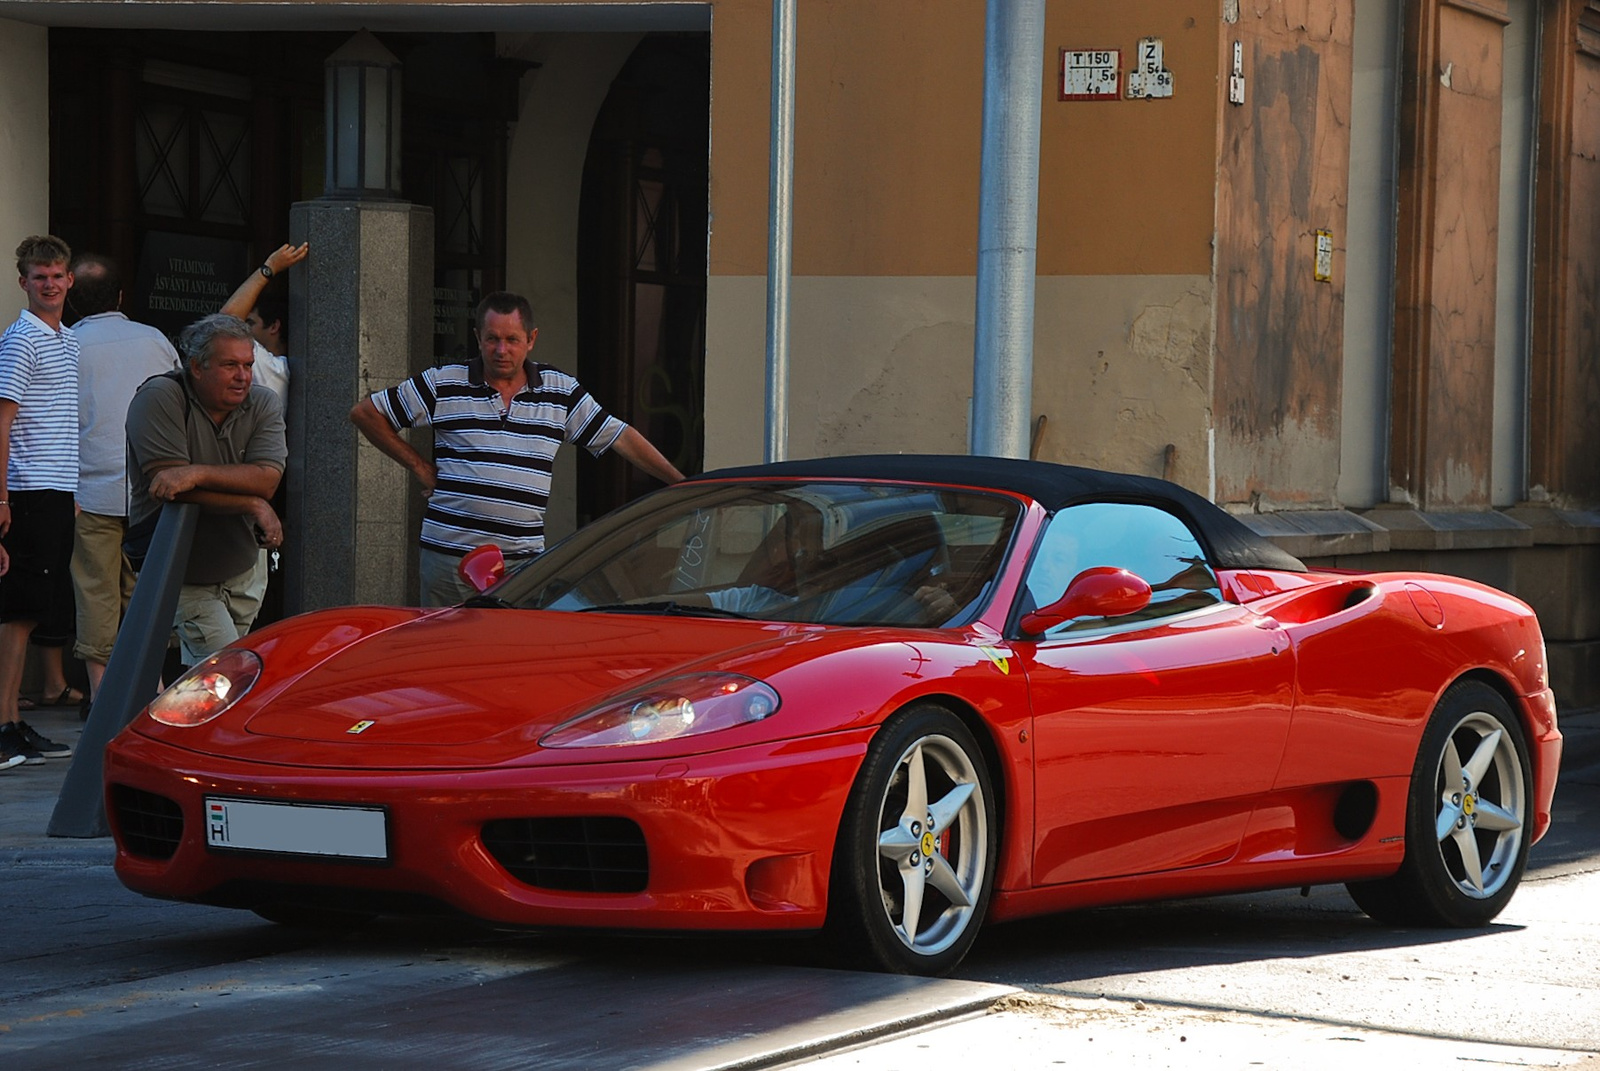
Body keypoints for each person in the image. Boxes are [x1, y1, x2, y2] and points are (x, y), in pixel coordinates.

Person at [350, 290, 685, 607]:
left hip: (522, 569)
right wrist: (420, 467)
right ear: (478, 337)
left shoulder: (560, 391)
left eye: (512, 339)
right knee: (445, 658)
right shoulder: (444, 382)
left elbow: (621, 437)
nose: (501, 349)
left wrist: (680, 482)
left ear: (531, 339)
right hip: (450, 561)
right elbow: (366, 413)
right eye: (492, 338)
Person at [125, 313, 286, 668]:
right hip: (181, 568)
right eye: (230, 365)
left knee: (213, 679)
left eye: (247, 364)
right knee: (228, 670)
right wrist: (250, 503)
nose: (243, 376)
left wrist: (196, 472)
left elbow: (267, 479)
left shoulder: (262, 403)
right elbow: (168, 485)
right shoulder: (160, 396)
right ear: (197, 367)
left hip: (243, 564)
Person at [65, 252, 180, 704]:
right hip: (150, 492)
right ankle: (152, 690)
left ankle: (100, 695)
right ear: (119, 295)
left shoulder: (67, 345)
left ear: (72, 299)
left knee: (96, 593)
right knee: (144, 593)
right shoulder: (154, 340)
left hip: (89, 491)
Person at [0, 236, 79, 766]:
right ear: (23, 282)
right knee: (17, 613)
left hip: (56, 491)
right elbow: (2, 420)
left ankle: (15, 722)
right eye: (39, 276)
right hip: (26, 490)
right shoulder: (20, 340)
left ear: (70, 279)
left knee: (30, 611)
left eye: (57, 275)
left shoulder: (69, 341)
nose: (49, 284)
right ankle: (3, 724)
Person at [218, 241, 307, 627]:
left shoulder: (270, 370)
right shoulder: (281, 370)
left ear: (274, 328)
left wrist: (269, 268)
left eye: (252, 325)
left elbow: (222, 323)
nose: (245, 332)